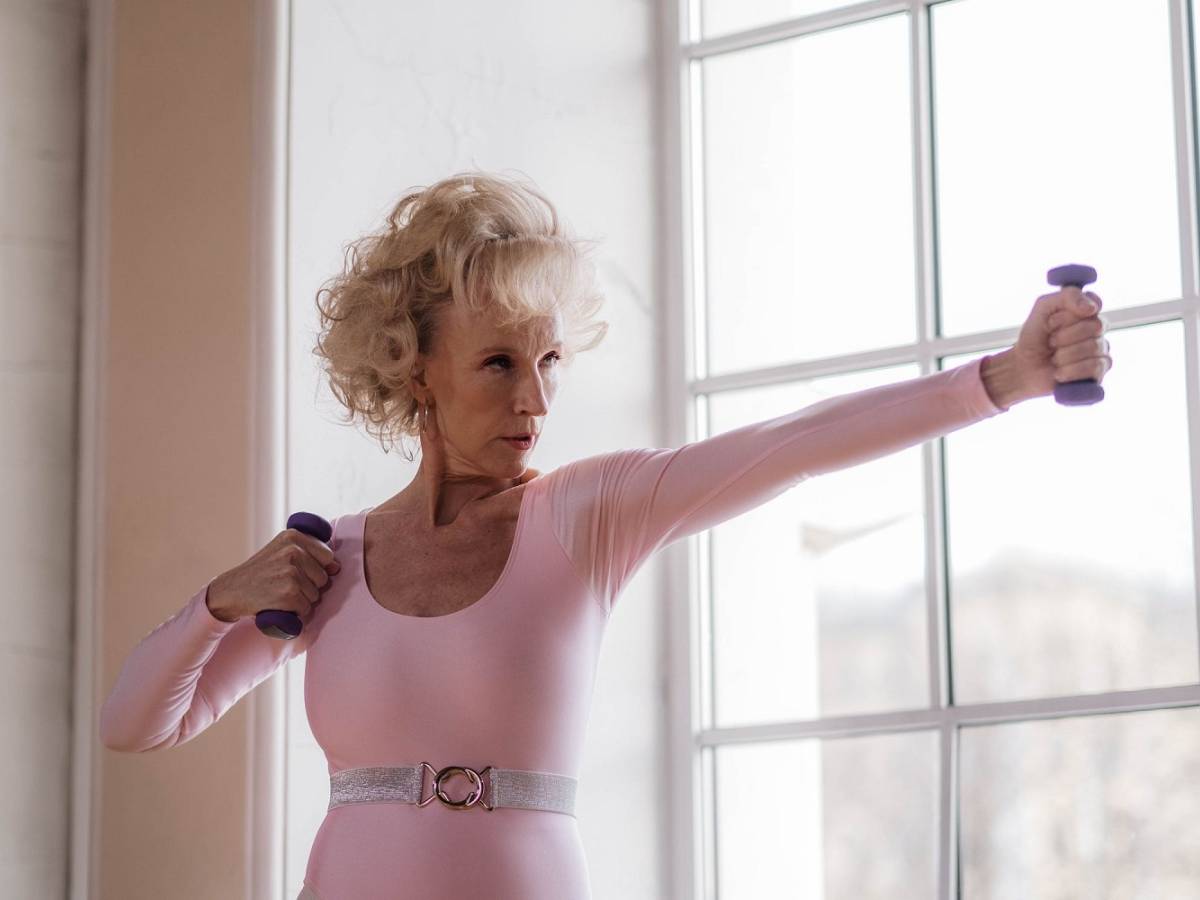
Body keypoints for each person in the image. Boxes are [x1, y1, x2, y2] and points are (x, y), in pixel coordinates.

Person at [98, 171, 1112, 900]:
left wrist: (1004, 379)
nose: (536, 399)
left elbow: (792, 444)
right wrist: (220, 602)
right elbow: (136, 724)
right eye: (500, 363)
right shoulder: (326, 561)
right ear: (415, 368)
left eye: (550, 361)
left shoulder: (588, 514)